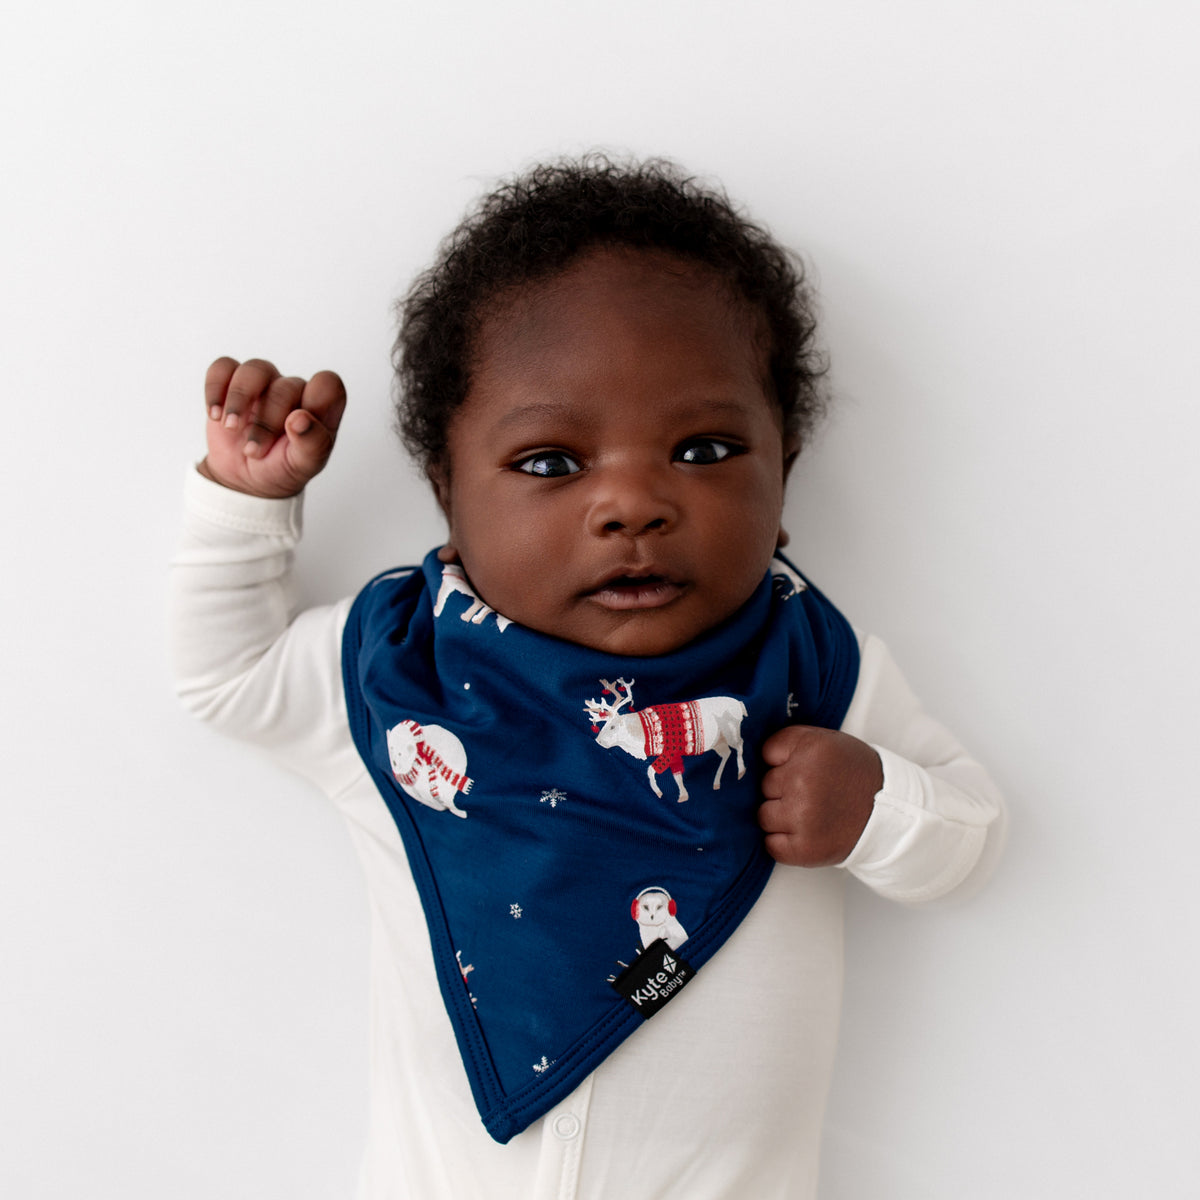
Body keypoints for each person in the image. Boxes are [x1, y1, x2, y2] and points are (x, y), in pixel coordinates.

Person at [170, 157, 1004, 1200]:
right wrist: (247, 507)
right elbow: (228, 677)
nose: (632, 505)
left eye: (702, 449)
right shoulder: (400, 675)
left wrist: (881, 806)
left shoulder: (812, 672)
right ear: (447, 494)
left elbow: (971, 837)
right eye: (551, 463)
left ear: (783, 473)